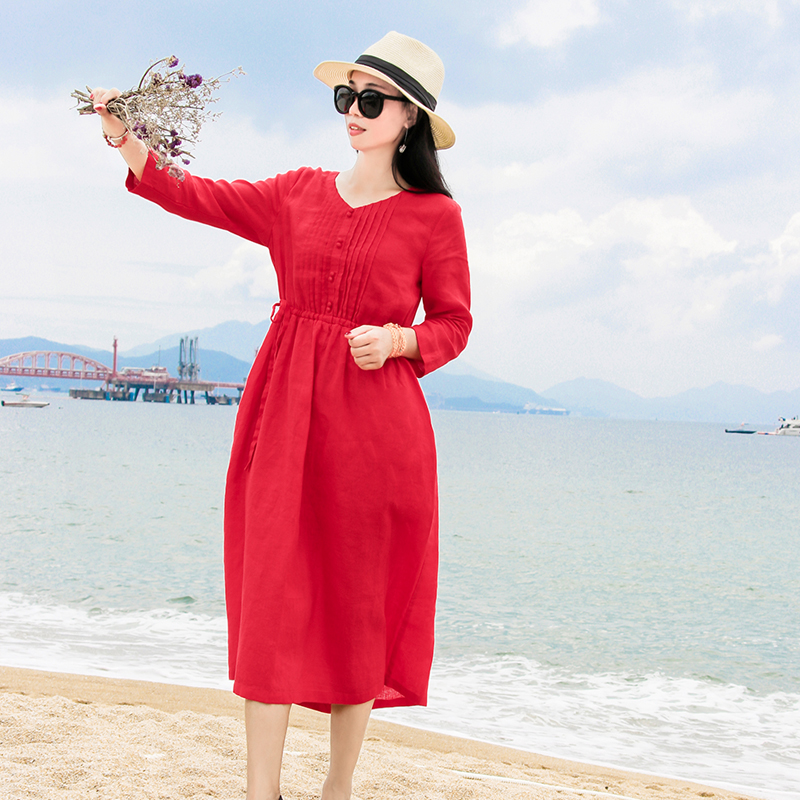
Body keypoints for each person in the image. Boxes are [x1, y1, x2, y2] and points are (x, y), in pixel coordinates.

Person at [92, 31, 471, 800]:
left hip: (377, 435)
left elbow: (455, 324)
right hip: (282, 419)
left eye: (371, 99)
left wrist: (401, 339)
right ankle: (258, 791)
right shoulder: (296, 192)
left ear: (411, 118)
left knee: (357, 607)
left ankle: (338, 789)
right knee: (272, 597)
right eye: (346, 96)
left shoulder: (435, 217)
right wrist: (125, 138)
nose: (353, 112)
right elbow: (198, 196)